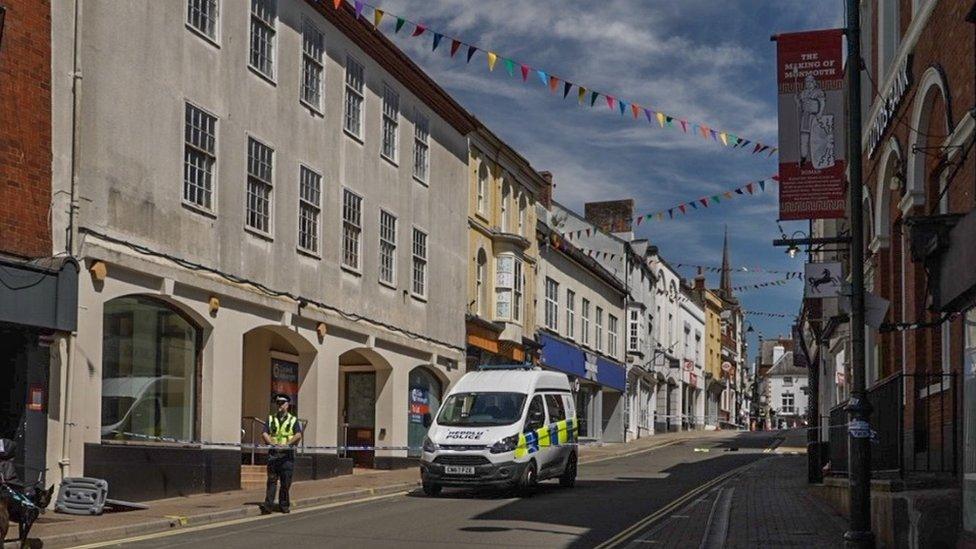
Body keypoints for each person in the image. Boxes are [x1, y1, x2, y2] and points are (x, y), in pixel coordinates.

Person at [260, 394, 302, 514]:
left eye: (282, 403)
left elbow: (298, 434)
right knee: (271, 481)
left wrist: (288, 444)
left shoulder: (293, 420)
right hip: (274, 454)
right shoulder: (271, 419)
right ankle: (268, 506)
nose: (279, 406)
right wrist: (271, 443)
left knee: (285, 482)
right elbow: (264, 433)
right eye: (278, 403)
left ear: (287, 405)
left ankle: (284, 505)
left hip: (286, 455)